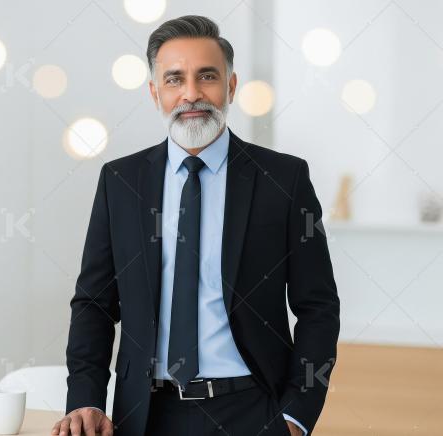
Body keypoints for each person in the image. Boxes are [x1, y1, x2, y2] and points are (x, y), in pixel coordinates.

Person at [52, 15, 339, 436]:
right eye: (174, 79)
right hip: (143, 416)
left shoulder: (284, 179)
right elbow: (94, 304)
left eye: (207, 76)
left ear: (231, 86)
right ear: (155, 92)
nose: (191, 94)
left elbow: (318, 307)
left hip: (254, 412)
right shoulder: (121, 181)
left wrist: (296, 415)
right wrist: (85, 399)